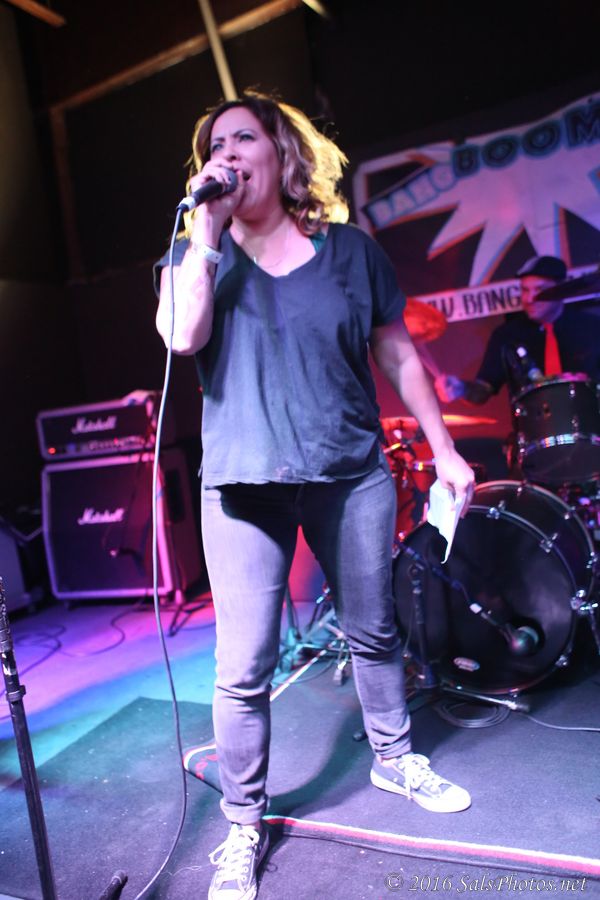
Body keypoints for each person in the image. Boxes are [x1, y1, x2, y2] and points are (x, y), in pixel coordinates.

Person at [155, 92, 475, 900]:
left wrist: (443, 450)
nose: (225, 154)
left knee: (374, 629)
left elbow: (398, 355)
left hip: (349, 473)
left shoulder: (350, 251)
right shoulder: (194, 254)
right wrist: (204, 240)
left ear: (281, 152)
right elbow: (182, 337)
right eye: (213, 145)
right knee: (243, 665)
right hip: (242, 488)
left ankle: (396, 758)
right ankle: (242, 822)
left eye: (242, 138)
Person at [434, 255, 600, 405]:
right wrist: (461, 389)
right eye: (524, 290)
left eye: (540, 290)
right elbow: (482, 391)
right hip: (535, 425)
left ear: (562, 288)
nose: (529, 299)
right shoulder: (506, 335)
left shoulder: (592, 326)